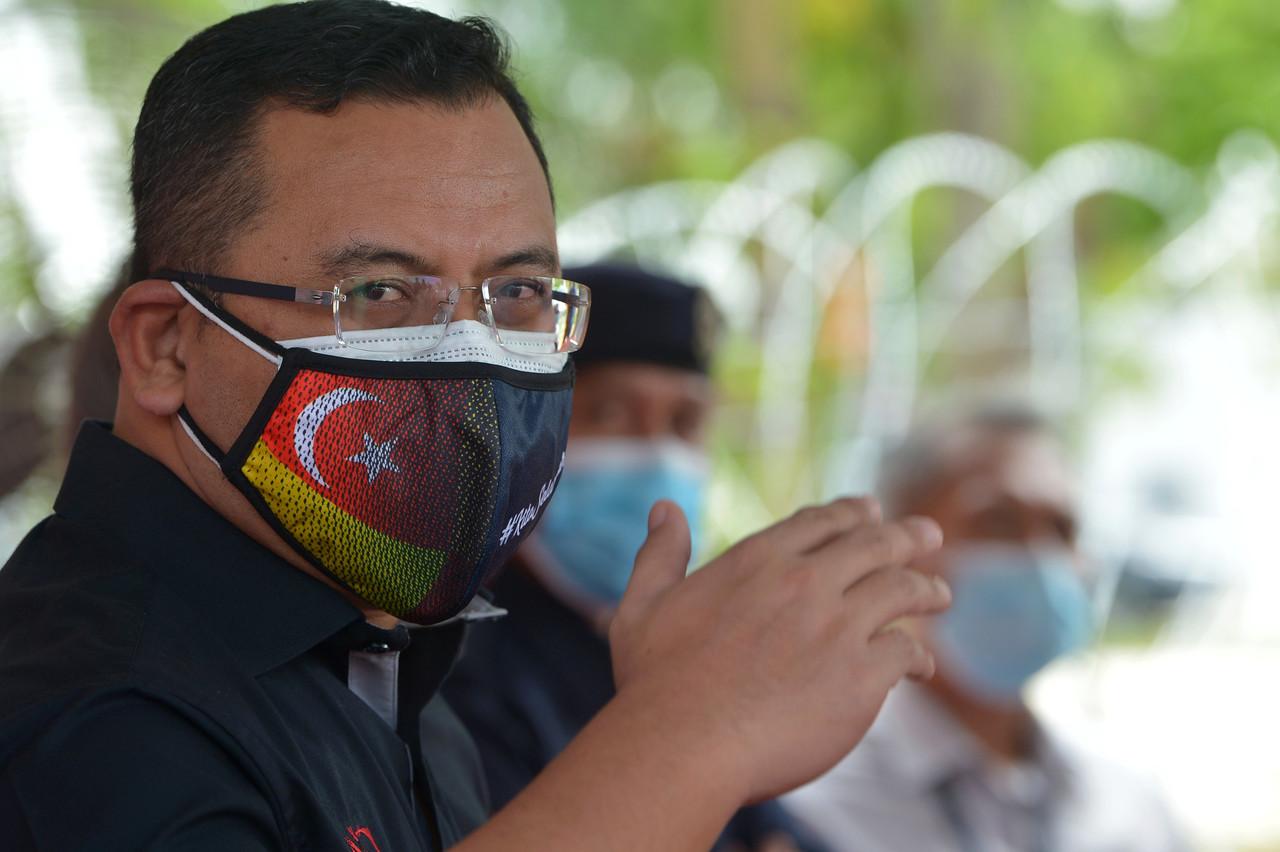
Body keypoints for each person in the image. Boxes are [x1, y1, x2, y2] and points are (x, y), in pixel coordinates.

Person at [0, 3, 952, 850]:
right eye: (379, 292)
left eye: (520, 293)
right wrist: (693, 732)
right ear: (165, 346)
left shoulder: (391, 668)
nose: (471, 355)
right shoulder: (81, 710)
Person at [444, 262, 826, 852]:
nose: (658, 456)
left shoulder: (683, 654)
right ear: (528, 424)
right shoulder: (455, 672)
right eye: (611, 413)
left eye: (684, 421)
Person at [783, 403, 1187, 852]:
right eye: (998, 522)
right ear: (897, 551)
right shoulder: (803, 807)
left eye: (1062, 529)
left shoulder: (1130, 811)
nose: (1039, 557)